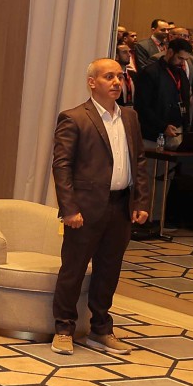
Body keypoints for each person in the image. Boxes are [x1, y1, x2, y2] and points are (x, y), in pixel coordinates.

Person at [50, 59, 151, 355]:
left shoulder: (129, 117)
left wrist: (141, 200)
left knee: (109, 271)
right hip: (84, 209)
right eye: (109, 77)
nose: (117, 82)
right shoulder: (74, 118)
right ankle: (64, 328)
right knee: (73, 270)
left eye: (119, 76)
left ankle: (101, 329)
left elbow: (139, 161)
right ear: (92, 82)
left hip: (120, 207)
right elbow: (62, 166)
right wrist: (69, 208)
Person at [136, 37, 193, 147]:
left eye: (185, 60)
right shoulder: (150, 72)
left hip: (177, 130)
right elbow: (142, 107)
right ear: (170, 52)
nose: (182, 63)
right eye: (180, 58)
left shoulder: (181, 73)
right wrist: (162, 126)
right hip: (153, 134)